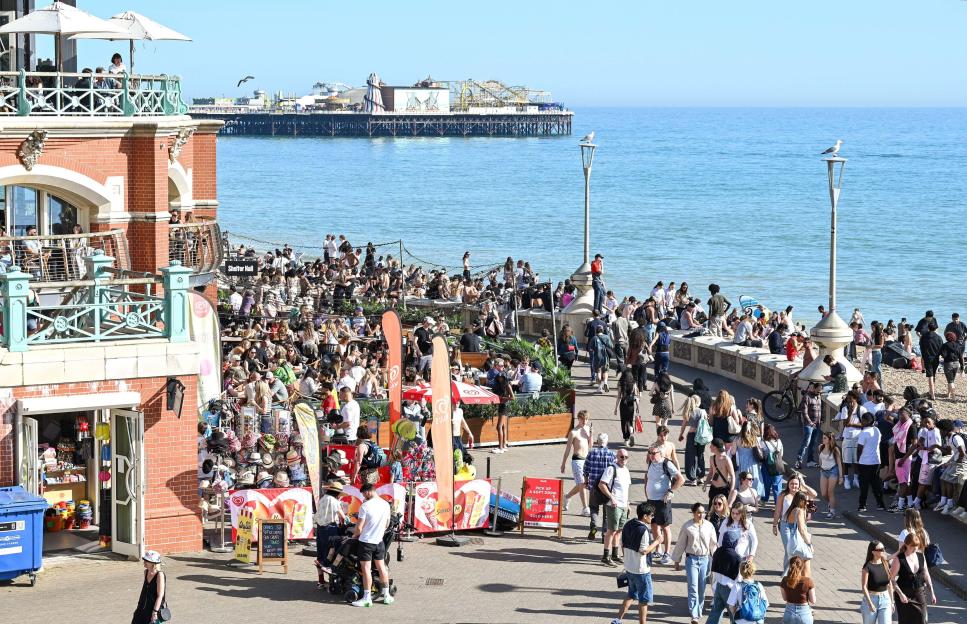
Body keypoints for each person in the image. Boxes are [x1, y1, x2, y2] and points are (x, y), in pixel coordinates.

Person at [608, 502, 663, 624]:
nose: (652, 517)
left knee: (631, 595)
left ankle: (617, 620)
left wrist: (628, 558)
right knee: (643, 600)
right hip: (641, 570)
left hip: (629, 567)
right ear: (644, 516)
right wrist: (657, 541)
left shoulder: (628, 524)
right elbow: (644, 551)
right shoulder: (643, 530)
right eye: (651, 515)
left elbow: (622, 545)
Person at [672, 502, 718, 624]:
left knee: (701, 587)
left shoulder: (709, 526)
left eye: (703, 512)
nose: (701, 515)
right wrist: (677, 560)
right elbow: (680, 543)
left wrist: (716, 560)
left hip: (705, 559)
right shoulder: (687, 526)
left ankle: (699, 609)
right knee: (693, 587)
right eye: (698, 512)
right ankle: (694, 615)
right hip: (691, 559)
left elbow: (713, 544)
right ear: (693, 512)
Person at [351, 483, 394, 607]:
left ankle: (367, 598)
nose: (364, 496)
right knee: (382, 567)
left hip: (366, 542)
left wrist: (354, 535)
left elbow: (358, 528)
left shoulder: (365, 506)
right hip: (379, 541)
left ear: (368, 491)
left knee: (366, 570)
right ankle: (387, 595)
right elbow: (386, 524)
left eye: (364, 494)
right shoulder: (386, 504)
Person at [644, 444, 684, 564]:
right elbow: (648, 477)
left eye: (653, 453)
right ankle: (658, 549)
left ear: (660, 454)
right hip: (651, 500)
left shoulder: (666, 464)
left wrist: (671, 491)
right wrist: (645, 488)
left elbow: (681, 479)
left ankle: (667, 553)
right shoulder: (651, 463)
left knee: (665, 527)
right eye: (649, 453)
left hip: (662, 501)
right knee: (654, 525)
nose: (651, 455)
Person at [890, 533, 936, 624]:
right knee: (906, 621)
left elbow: (926, 574)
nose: (915, 548)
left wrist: (932, 592)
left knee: (922, 620)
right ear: (906, 544)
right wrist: (900, 594)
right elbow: (891, 579)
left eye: (917, 546)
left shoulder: (921, 556)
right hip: (904, 594)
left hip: (919, 592)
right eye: (912, 546)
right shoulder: (899, 559)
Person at [599, 448, 632, 566]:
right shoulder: (611, 469)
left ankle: (615, 554)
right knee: (611, 530)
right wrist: (612, 497)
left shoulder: (626, 470)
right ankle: (605, 556)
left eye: (626, 457)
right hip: (613, 505)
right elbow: (601, 484)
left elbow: (626, 488)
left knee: (619, 530)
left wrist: (628, 504)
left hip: (623, 505)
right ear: (617, 457)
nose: (623, 459)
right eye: (621, 457)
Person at [584, 433, 617, 542]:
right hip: (607, 487)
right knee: (606, 512)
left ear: (597, 442)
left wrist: (586, 481)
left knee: (593, 508)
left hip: (594, 486)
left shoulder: (592, 453)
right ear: (606, 442)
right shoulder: (612, 454)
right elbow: (615, 471)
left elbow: (586, 469)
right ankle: (604, 535)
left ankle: (593, 526)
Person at [561, 410, 592, 516]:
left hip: (586, 460)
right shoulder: (573, 432)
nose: (585, 421)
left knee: (582, 484)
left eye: (586, 419)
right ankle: (585, 508)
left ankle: (566, 497)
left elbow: (590, 446)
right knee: (582, 483)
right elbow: (568, 449)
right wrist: (563, 463)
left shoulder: (588, 429)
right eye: (583, 419)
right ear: (578, 419)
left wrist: (590, 435)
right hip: (577, 460)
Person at [314, 481, 348, 576]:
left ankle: (320, 580)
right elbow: (342, 516)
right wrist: (346, 521)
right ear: (337, 493)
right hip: (330, 528)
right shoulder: (334, 501)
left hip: (320, 528)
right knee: (330, 554)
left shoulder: (322, 499)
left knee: (320, 554)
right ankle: (332, 579)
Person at [856, 411, 887, 512]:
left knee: (864, 485)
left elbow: (859, 448)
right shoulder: (877, 430)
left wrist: (857, 460)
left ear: (865, 421)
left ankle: (862, 505)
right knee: (876, 484)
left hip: (865, 462)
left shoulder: (864, 433)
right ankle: (880, 504)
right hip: (876, 461)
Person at [678, 393, 710, 485]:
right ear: (698, 402)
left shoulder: (689, 411)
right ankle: (701, 477)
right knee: (700, 455)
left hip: (691, 435)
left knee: (691, 456)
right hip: (701, 436)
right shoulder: (703, 411)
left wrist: (681, 434)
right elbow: (706, 424)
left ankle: (693, 479)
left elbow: (683, 425)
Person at [860, 541, 895, 624]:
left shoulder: (886, 564)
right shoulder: (867, 566)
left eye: (884, 548)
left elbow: (889, 584)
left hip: (885, 599)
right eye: (880, 549)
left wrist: (892, 602)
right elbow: (864, 586)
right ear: (873, 552)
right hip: (871, 599)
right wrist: (870, 603)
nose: (883, 551)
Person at [938, 419, 967, 514]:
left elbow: (962, 453)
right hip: (955, 461)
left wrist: (956, 463)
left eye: (941, 430)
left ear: (946, 430)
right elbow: (950, 452)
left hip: (961, 463)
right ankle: (943, 501)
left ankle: (949, 503)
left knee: (948, 480)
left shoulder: (956, 438)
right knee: (942, 478)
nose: (940, 432)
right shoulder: (949, 438)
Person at [131, 550, 166, 624]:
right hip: (141, 607)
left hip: (153, 609)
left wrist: (155, 612)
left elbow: (160, 596)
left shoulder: (160, 575)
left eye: (146, 561)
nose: (144, 562)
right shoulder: (146, 572)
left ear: (153, 563)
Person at [783, 492, 814, 576]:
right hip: (800, 544)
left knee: (795, 571)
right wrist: (809, 544)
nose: (807, 503)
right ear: (800, 501)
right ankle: (805, 587)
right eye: (805, 501)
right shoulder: (799, 511)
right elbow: (802, 530)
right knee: (806, 571)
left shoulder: (792, 510)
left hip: (792, 544)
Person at [780, 555, 816, 624]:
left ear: (790, 566)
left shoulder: (784, 580)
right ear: (802, 567)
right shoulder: (808, 581)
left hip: (789, 613)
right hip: (804, 614)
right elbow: (813, 601)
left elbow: (785, 598)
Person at [795, 382, 822, 469]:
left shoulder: (818, 397)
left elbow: (819, 410)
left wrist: (821, 420)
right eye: (818, 390)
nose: (819, 392)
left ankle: (810, 461)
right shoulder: (807, 397)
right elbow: (804, 412)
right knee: (806, 443)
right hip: (809, 425)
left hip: (817, 424)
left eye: (820, 391)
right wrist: (810, 423)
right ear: (814, 388)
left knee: (813, 443)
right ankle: (799, 461)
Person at [817, 431, 844, 518]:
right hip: (823, 472)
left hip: (833, 471)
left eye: (825, 438)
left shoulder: (835, 449)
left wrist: (841, 477)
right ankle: (830, 503)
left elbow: (839, 463)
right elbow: (820, 459)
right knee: (824, 493)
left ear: (829, 439)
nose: (823, 439)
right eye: (823, 438)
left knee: (830, 492)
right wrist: (821, 467)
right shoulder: (820, 447)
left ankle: (832, 511)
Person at [704, 438, 735, 508]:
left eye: (711, 445)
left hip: (723, 489)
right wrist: (706, 483)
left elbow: (732, 476)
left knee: (723, 511)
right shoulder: (712, 458)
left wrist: (731, 490)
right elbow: (711, 473)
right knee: (711, 510)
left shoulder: (726, 459)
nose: (709, 447)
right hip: (713, 488)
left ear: (715, 447)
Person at [491, 367, 514, 454]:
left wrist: (501, 398)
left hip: (504, 405)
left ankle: (500, 447)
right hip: (502, 405)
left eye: (501, 377)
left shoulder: (507, 385)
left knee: (499, 426)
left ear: (504, 377)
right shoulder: (499, 385)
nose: (500, 379)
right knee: (503, 426)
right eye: (499, 378)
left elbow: (512, 397)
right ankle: (503, 445)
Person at [615, 367, 640, 446]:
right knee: (629, 421)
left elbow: (619, 396)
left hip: (623, 404)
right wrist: (638, 407)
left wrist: (615, 408)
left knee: (624, 422)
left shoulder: (620, 383)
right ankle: (631, 434)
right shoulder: (634, 383)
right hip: (631, 404)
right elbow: (636, 396)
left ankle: (626, 439)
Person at [760, 424, 784, 505]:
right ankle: (777, 504)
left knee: (766, 484)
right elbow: (782, 454)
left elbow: (762, 455)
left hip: (767, 466)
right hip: (778, 466)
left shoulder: (763, 443)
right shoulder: (779, 441)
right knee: (777, 486)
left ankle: (764, 500)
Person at [918, 321, 943, 400]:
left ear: (928, 328)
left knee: (930, 376)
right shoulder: (939, 337)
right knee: (933, 374)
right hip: (936, 358)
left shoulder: (924, 336)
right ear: (935, 328)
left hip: (927, 358)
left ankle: (932, 395)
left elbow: (921, 348)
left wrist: (924, 356)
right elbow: (941, 348)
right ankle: (932, 391)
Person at [940, 331, 964, 399]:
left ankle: (953, 397)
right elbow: (961, 356)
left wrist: (942, 354)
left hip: (948, 364)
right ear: (954, 337)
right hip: (956, 363)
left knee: (950, 381)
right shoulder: (958, 345)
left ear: (947, 338)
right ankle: (948, 394)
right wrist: (962, 366)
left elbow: (944, 355)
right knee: (951, 380)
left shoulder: (945, 345)